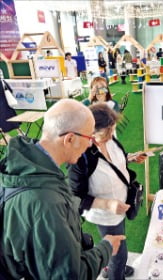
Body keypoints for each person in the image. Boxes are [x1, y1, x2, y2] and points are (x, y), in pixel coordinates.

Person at [0, 99, 125, 279]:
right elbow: (69, 275)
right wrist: (106, 247)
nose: (91, 144)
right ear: (70, 139)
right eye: (90, 137)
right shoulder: (45, 203)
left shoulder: (30, 167)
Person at [68, 103, 147, 280]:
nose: (112, 135)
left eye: (113, 129)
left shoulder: (110, 139)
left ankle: (110, 266)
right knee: (119, 254)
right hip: (105, 214)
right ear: (90, 131)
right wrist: (107, 204)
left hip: (119, 206)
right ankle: (114, 270)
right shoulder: (81, 156)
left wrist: (130, 158)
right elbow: (74, 197)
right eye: (107, 131)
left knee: (116, 250)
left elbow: (113, 161)